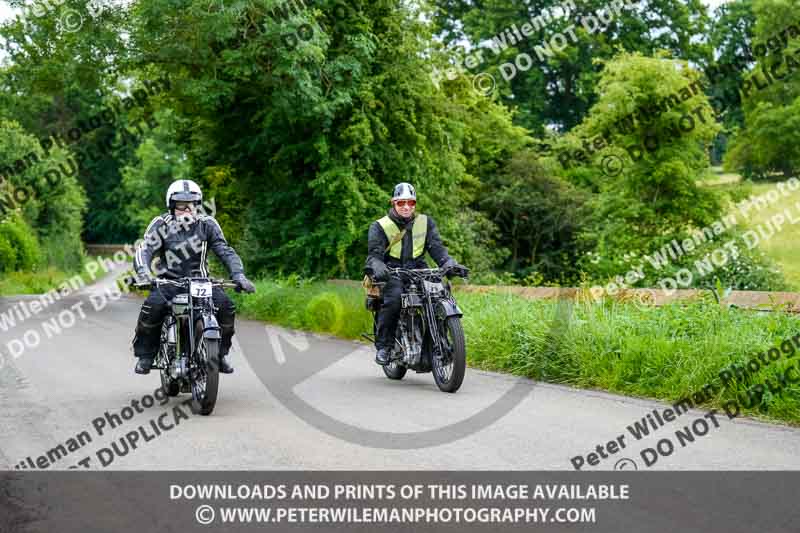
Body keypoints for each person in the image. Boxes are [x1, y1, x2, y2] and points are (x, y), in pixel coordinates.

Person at [131, 179, 256, 375]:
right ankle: (146, 355)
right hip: (168, 282)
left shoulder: (208, 224)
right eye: (181, 206)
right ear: (171, 207)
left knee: (225, 306)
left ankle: (219, 354)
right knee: (152, 307)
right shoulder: (161, 224)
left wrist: (238, 275)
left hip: (201, 282)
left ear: (198, 205)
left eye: (191, 205)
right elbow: (144, 249)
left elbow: (225, 251)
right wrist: (144, 273)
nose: (187, 210)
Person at [364, 182, 468, 366]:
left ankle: (440, 342)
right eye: (401, 202)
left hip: (420, 269)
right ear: (393, 203)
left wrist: (449, 263)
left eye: (410, 203)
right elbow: (374, 255)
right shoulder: (380, 226)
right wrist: (379, 266)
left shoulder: (425, 222)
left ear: (415, 204)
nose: (406, 207)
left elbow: (437, 249)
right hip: (393, 271)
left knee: (441, 293)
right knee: (394, 298)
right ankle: (385, 347)